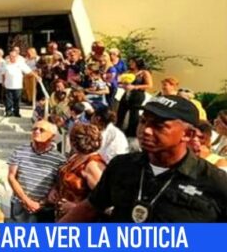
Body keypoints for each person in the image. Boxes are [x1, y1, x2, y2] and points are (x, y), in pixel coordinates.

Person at [60, 95, 227, 222]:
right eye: (144, 121)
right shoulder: (122, 166)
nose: (146, 130)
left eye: (159, 126)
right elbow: (90, 207)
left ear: (187, 134)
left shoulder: (215, 182)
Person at [7, 120, 65, 222]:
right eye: (34, 129)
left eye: (41, 130)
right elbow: (11, 177)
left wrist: (42, 203)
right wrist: (26, 200)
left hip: (45, 208)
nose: (36, 131)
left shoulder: (60, 159)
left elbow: (58, 184)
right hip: (20, 204)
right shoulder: (19, 151)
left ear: (52, 136)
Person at [55, 123, 106, 220]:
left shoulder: (93, 165)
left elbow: (103, 201)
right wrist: (55, 189)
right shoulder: (75, 157)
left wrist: (75, 207)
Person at [116, 57, 153, 139]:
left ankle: (131, 133)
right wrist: (122, 85)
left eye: (132, 62)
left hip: (137, 95)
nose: (130, 64)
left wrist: (135, 87)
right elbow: (120, 81)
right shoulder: (129, 72)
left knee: (134, 114)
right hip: (127, 94)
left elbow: (149, 85)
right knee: (121, 111)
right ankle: (117, 129)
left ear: (137, 63)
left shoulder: (144, 73)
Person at [3, 49, 34, 117]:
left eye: (14, 56)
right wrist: (3, 82)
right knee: (8, 100)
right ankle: (8, 112)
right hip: (8, 85)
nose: (12, 57)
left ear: (16, 57)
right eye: (11, 56)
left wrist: (36, 76)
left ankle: (16, 112)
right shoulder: (5, 64)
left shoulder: (20, 64)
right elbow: (3, 74)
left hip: (18, 85)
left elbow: (29, 71)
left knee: (17, 100)